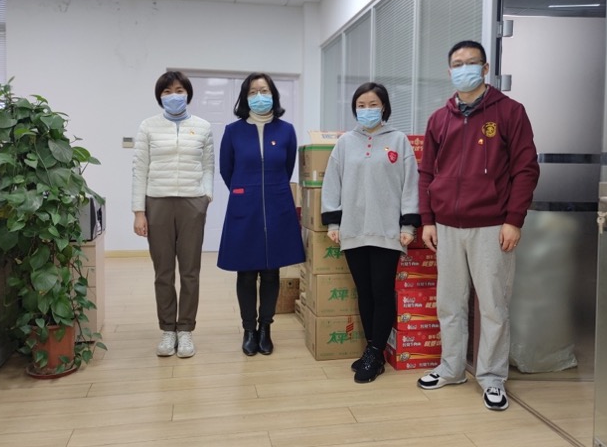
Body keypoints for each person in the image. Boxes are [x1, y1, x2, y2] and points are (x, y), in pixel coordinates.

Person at [416, 40, 540, 410]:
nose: (464, 69)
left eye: (471, 62)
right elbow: (427, 173)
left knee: (493, 307)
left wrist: (513, 220)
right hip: (446, 227)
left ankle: (491, 378)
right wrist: (428, 220)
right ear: (449, 70)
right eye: (457, 64)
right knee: (450, 304)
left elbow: (525, 169)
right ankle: (452, 368)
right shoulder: (439, 119)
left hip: (491, 226)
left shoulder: (510, 112)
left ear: (485, 69)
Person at [321, 82, 421, 383]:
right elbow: (332, 183)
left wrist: (408, 225)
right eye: (361, 105)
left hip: (387, 230)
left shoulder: (399, 140)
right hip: (353, 229)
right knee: (364, 292)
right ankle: (372, 350)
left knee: (381, 290)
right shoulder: (345, 143)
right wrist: (334, 223)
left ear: (384, 107)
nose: (367, 110)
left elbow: (410, 185)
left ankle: (375, 352)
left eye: (373, 104)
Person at [217, 73, 305, 356]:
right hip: (244, 207)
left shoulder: (286, 130)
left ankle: (265, 328)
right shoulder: (233, 131)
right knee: (245, 272)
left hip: (278, 206)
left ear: (273, 95)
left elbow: (287, 168)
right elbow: (226, 170)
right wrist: (245, 191)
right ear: (245, 97)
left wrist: (271, 190)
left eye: (264, 90)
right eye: (253, 91)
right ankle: (248, 330)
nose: (259, 96)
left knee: (271, 271)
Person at [132, 70, 214, 359]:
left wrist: (206, 196)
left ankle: (186, 329)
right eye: (167, 92)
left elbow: (208, 166)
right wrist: (139, 212)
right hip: (157, 203)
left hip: (192, 203)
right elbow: (139, 169)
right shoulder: (148, 126)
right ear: (160, 96)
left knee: (190, 271)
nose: (173, 96)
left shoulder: (202, 127)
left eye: (179, 90)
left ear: (188, 93)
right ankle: (168, 329)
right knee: (163, 272)